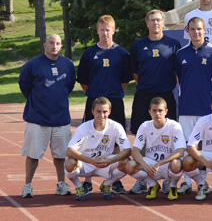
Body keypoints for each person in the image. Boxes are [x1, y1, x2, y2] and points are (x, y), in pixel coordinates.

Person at [19, 34, 76, 198]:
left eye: (58, 43)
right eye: (51, 43)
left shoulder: (68, 64)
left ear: (61, 46)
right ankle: (28, 185)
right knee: (33, 154)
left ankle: (61, 184)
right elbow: (25, 85)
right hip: (37, 119)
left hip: (61, 119)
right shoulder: (32, 65)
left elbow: (69, 86)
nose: (54, 46)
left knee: (61, 155)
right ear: (45, 45)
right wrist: (38, 102)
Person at [175, 16, 212, 194]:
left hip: (205, 108)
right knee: (188, 145)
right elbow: (179, 78)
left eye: (199, 29)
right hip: (186, 108)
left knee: (202, 146)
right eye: (192, 29)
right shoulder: (180, 54)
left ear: (205, 31)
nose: (196, 32)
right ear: (188, 31)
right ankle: (188, 181)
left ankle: (202, 180)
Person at [65, 97, 131, 201]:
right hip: (86, 164)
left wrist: (110, 160)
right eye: (98, 111)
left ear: (109, 111)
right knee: (69, 163)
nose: (101, 115)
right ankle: (78, 187)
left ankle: (107, 184)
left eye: (105, 112)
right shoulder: (84, 127)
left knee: (128, 163)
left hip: (106, 163)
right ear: (92, 111)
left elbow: (127, 150)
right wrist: (92, 161)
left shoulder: (116, 127)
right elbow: (69, 151)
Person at [130, 10, 180, 135]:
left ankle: (170, 155)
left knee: (169, 131)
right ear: (147, 23)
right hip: (144, 95)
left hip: (166, 94)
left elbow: (178, 71)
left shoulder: (173, 45)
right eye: (152, 20)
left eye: (158, 20)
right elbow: (135, 72)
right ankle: (141, 155)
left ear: (163, 23)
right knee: (140, 132)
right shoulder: (138, 45)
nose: (155, 23)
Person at [124, 97, 186, 200]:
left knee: (177, 164)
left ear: (166, 111)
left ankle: (173, 187)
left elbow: (180, 151)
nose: (157, 113)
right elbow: (135, 151)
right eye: (154, 110)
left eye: (160, 110)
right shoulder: (144, 126)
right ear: (150, 112)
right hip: (150, 164)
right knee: (130, 165)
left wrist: (159, 163)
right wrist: (145, 165)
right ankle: (153, 185)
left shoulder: (174, 126)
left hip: (167, 164)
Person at [77, 15, 132, 128]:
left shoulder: (122, 54)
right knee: (91, 135)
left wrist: (114, 92)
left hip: (115, 101)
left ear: (113, 30)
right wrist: (94, 93)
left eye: (108, 30)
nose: (105, 33)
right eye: (102, 30)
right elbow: (83, 81)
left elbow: (125, 80)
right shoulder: (89, 54)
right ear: (97, 31)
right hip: (94, 101)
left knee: (117, 138)